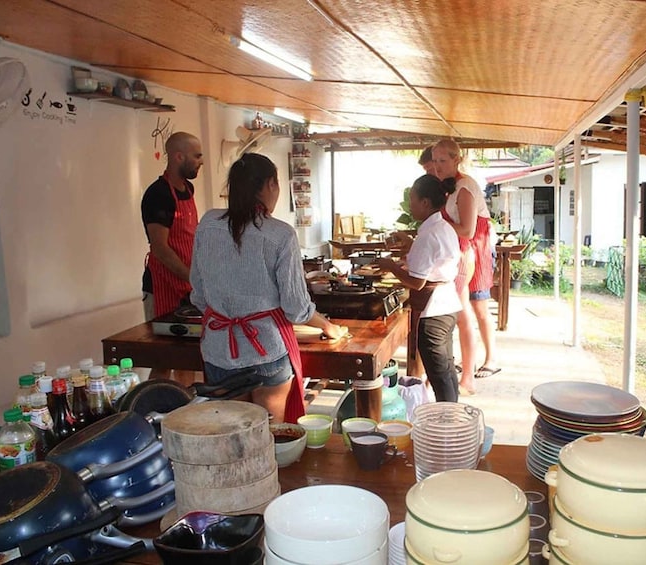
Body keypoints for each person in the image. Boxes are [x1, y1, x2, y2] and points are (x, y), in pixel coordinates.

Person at [190, 153, 347, 423]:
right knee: (270, 435)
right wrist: (327, 326)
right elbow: (296, 308)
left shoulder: (207, 225)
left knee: (231, 435)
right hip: (266, 350)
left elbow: (199, 295)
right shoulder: (280, 234)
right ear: (271, 185)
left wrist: (228, 314)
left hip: (219, 349)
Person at [377, 175, 461, 402]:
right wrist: (410, 243)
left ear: (425, 202)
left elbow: (416, 281)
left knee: (440, 374)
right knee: (446, 368)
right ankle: (453, 414)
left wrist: (390, 265)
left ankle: (449, 421)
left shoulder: (429, 233)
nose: (410, 204)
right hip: (447, 306)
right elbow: (433, 259)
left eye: (412, 199)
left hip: (433, 310)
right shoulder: (442, 227)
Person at [432, 139, 500, 394]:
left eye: (443, 161)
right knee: (462, 314)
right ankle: (464, 369)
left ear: (456, 160)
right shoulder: (450, 186)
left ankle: (469, 375)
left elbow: (467, 230)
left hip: (466, 253)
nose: (438, 166)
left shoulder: (464, 187)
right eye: (435, 161)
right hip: (456, 253)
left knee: (467, 314)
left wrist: (435, 227)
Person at [141, 131, 204, 321]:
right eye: (197, 156)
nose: (201, 162)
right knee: (165, 348)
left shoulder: (188, 189)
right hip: (163, 286)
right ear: (179, 157)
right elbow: (160, 248)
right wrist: (193, 278)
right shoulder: (158, 194)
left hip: (187, 285)